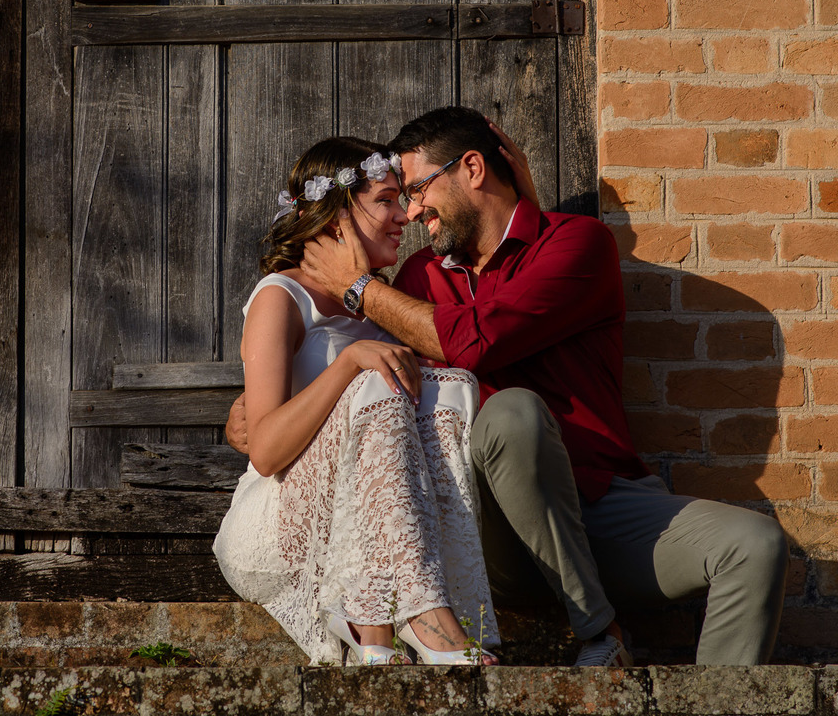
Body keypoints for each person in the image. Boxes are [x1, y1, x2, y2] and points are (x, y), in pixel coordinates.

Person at [283, 105, 789, 666]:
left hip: (599, 501)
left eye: (419, 188)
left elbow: (477, 341)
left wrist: (358, 287)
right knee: (511, 416)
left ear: (473, 168)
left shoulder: (578, 244)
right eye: (402, 196)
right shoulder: (418, 278)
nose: (413, 209)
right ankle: (600, 632)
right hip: (485, 525)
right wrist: (266, 401)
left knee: (755, 546)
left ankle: (717, 701)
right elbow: (362, 375)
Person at [212, 136, 500, 667]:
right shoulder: (281, 296)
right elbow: (266, 452)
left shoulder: (377, 305)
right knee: (375, 377)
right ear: (338, 215)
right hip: (274, 524)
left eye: (402, 200)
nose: (405, 216)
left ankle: (385, 621)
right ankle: (420, 615)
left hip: (356, 529)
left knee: (447, 388)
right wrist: (349, 364)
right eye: (386, 201)